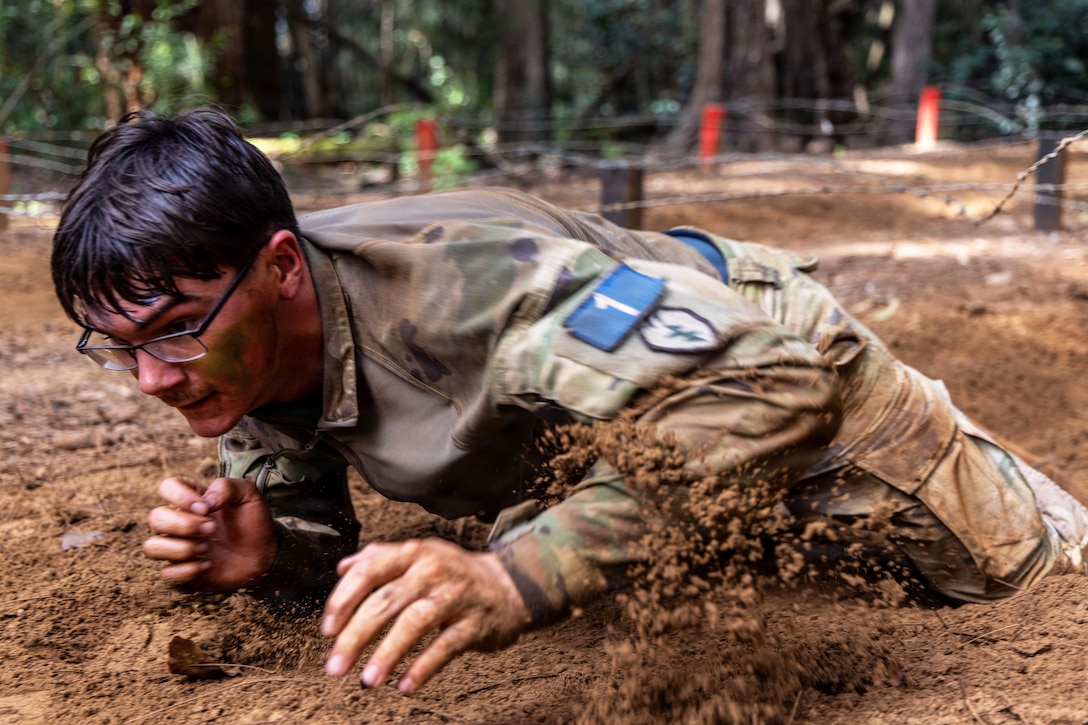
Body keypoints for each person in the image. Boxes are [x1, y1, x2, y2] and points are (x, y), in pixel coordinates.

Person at [51, 107, 1088, 694]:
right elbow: (315, 518)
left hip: (752, 348)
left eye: (177, 328)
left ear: (280, 267)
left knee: (1022, 575)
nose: (154, 377)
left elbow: (767, 383)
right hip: (586, 428)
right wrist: (271, 545)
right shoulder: (244, 335)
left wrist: (520, 572)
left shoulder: (467, 291)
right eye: (121, 344)